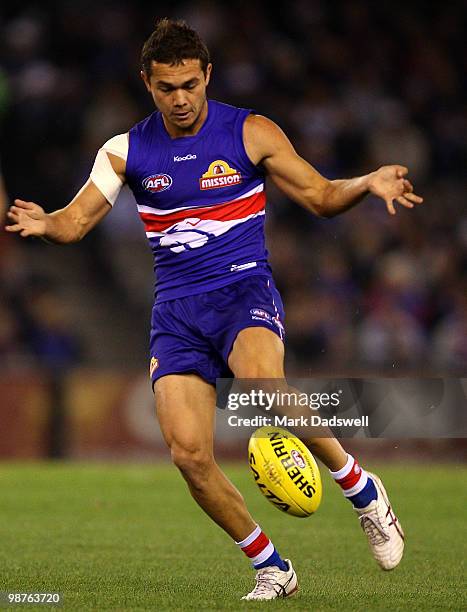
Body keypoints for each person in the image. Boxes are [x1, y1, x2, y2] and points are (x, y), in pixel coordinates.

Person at [6, 18, 422, 601]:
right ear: (147, 84)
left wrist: (366, 181)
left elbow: (321, 196)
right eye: (165, 88)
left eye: (189, 85)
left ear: (207, 76)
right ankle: (271, 566)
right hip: (176, 313)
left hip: (242, 292)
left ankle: (363, 491)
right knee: (188, 454)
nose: (180, 99)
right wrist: (45, 222)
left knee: (264, 387)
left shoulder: (251, 132)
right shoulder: (125, 151)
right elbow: (74, 222)